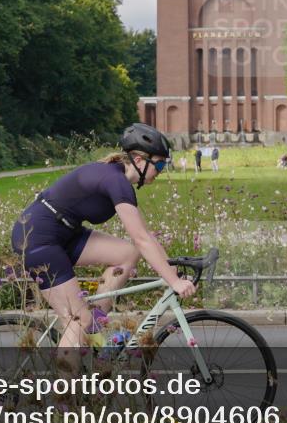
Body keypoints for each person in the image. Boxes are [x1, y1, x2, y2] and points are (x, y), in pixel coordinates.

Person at [11, 123, 196, 360]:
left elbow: (145, 236)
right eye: (159, 164)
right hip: (38, 237)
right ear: (140, 160)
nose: (161, 170)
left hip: (62, 233)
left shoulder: (117, 178)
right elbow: (142, 239)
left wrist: (174, 277)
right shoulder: (115, 181)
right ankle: (63, 395)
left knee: (127, 254)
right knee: (78, 320)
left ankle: (95, 331)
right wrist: (173, 282)